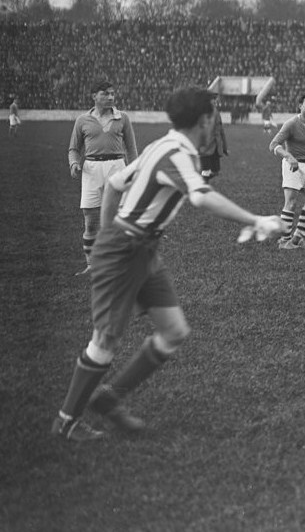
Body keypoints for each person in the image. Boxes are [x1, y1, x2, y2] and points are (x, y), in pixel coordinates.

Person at [50, 87, 285, 441]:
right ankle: (66, 422)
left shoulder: (162, 145)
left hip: (142, 250)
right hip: (123, 251)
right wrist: (255, 220)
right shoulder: (177, 153)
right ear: (205, 119)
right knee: (105, 341)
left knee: (174, 331)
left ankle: (110, 400)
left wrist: (109, 231)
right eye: (214, 114)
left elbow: (114, 185)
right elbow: (201, 196)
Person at [68, 81, 139, 275]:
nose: (111, 97)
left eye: (112, 94)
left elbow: (131, 149)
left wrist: (135, 171)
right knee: (91, 220)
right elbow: (74, 148)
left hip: (117, 167)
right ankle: (91, 264)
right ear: (94, 96)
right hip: (91, 169)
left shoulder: (122, 118)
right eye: (105, 94)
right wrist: (74, 163)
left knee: (120, 218)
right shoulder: (82, 120)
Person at [269, 92, 305, 249]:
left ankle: (298, 238)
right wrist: (288, 156)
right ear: (300, 106)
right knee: (291, 204)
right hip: (293, 166)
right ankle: (284, 241)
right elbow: (273, 145)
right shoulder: (291, 124)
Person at [198, 93, 228, 180]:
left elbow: (220, 130)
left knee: (215, 171)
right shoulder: (203, 113)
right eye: (213, 99)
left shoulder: (216, 112)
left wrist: (224, 147)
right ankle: (202, 183)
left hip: (215, 146)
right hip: (205, 147)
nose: (215, 101)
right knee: (206, 171)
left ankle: (202, 179)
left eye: (215, 99)